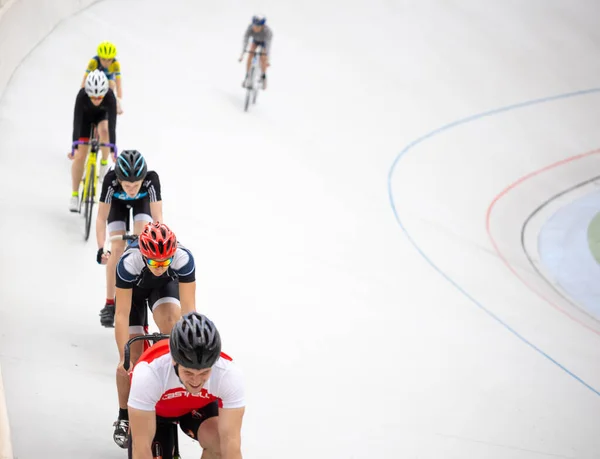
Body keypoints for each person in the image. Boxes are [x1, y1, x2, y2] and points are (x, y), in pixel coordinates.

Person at [111, 221, 198, 449]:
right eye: (153, 261)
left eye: (164, 262)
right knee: (132, 358)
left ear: (173, 254)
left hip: (164, 288)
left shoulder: (183, 258)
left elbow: (189, 310)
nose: (159, 266)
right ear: (143, 255)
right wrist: (124, 356)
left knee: (173, 326)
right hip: (135, 297)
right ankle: (124, 415)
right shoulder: (128, 262)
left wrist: (187, 350)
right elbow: (121, 314)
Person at [128, 312, 245, 459]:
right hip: (156, 411)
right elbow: (141, 447)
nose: (196, 381)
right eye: (188, 373)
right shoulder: (149, 373)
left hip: (197, 406)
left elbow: (231, 444)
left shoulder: (228, 373)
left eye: (204, 373)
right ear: (174, 361)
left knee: (220, 444)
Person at [96, 150, 163, 325]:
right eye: (127, 185)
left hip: (142, 204)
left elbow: (158, 218)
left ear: (143, 179)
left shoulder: (151, 180)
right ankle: (110, 304)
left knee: (141, 242)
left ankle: (138, 294)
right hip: (117, 206)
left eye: (136, 185)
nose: (132, 190)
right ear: (119, 180)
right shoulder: (110, 180)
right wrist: (101, 248)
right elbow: (101, 217)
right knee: (117, 249)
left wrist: (158, 243)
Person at [69, 69, 117, 212]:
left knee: (104, 131)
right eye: (93, 97)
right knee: (80, 157)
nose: (96, 100)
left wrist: (113, 148)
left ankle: (103, 162)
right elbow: (77, 122)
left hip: (102, 116)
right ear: (88, 93)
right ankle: (75, 195)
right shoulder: (82, 96)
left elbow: (113, 124)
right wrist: (74, 146)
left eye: (99, 97)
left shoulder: (109, 97)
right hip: (85, 119)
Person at [82, 41, 124, 114]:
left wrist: (119, 100)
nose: (106, 63)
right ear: (99, 57)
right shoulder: (93, 62)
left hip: (108, 77)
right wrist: (82, 95)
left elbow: (118, 83)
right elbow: (85, 79)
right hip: (96, 76)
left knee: (111, 84)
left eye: (109, 60)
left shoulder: (116, 64)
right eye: (103, 59)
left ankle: (109, 102)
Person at [238, 14, 273, 90]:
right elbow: (245, 40)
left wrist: (267, 59)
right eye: (254, 25)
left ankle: (263, 76)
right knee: (250, 54)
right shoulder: (250, 28)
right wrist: (243, 53)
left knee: (263, 57)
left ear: (262, 26)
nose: (255, 28)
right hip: (255, 41)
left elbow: (268, 47)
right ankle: (247, 76)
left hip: (264, 43)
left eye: (258, 26)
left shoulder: (268, 32)